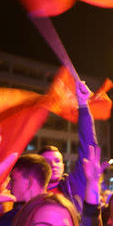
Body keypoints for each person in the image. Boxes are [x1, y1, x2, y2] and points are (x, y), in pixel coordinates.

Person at [39, 80, 98, 212]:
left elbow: (88, 147)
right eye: (47, 162)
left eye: (57, 161)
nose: (53, 165)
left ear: (63, 166)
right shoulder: (32, 196)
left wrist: (83, 105)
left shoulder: (73, 186)